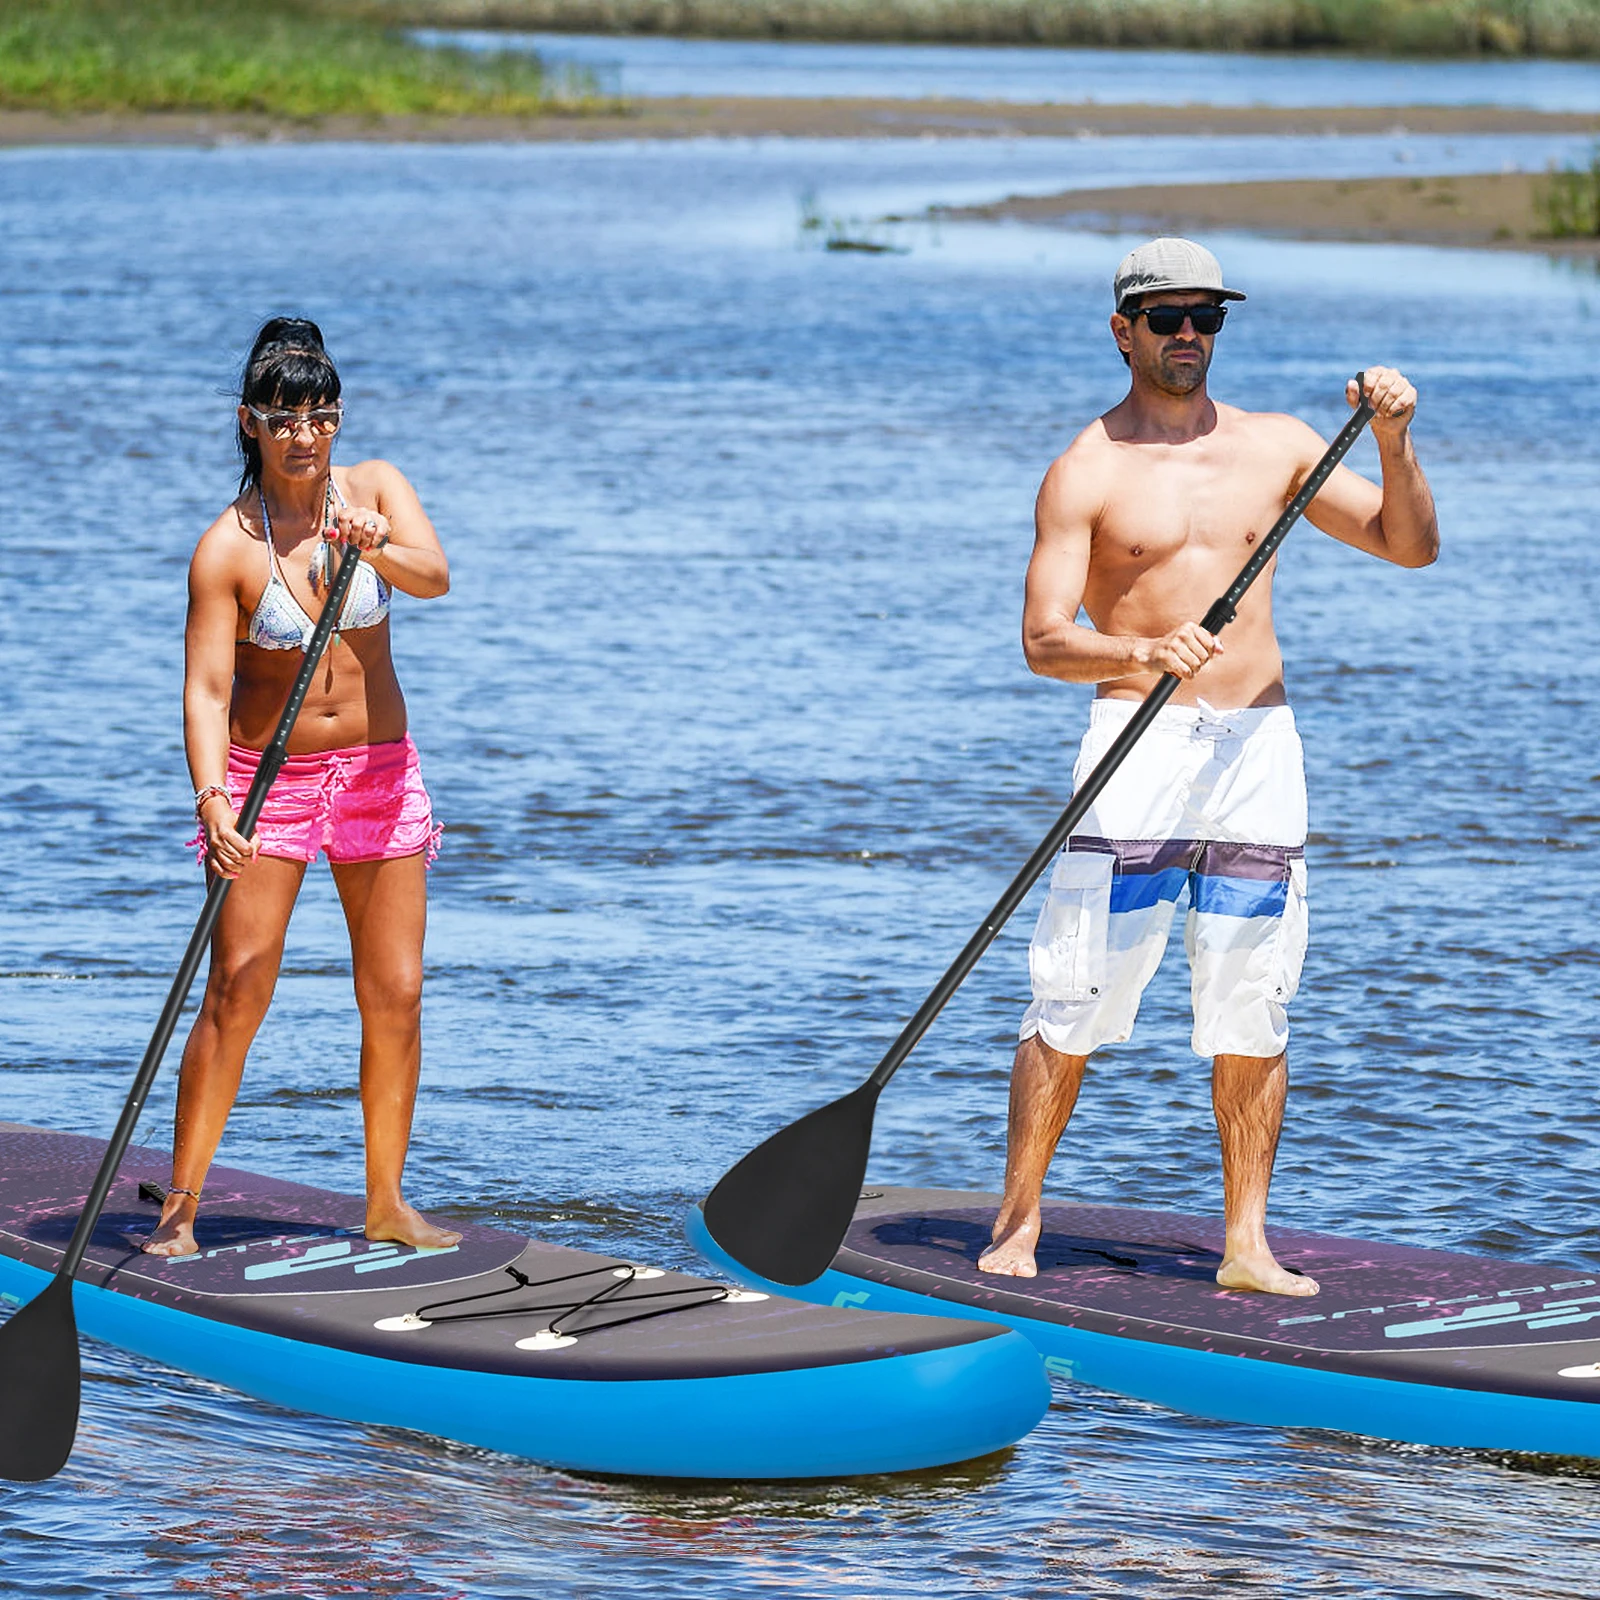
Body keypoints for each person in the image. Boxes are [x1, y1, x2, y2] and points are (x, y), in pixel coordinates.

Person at [979, 239, 1438, 1295]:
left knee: (1252, 998)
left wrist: (1398, 443)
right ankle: (1017, 1221)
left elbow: (1409, 547)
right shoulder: (1084, 470)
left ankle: (1245, 1244)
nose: (1190, 332)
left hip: (1258, 749)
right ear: (1123, 330)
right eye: (1167, 314)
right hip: (1137, 745)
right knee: (1076, 991)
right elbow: (1043, 639)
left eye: (1208, 316)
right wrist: (1137, 651)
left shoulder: (1278, 447)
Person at [144, 317, 461, 1258]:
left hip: (378, 774)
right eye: (284, 418)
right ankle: (179, 1211)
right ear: (250, 422)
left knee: (395, 992)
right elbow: (205, 691)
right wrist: (211, 805)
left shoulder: (377, 490)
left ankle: (387, 1203)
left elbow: (436, 577)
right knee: (238, 987)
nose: (305, 436)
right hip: (263, 785)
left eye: (321, 416)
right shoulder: (226, 549)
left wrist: (373, 549)